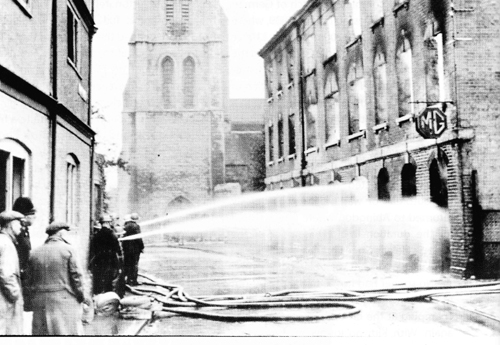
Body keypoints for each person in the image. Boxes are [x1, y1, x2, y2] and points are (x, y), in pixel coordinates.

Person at [24, 221, 90, 335]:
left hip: (39, 302)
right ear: (61, 233)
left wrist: (29, 302)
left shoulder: (34, 252)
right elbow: (76, 277)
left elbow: (28, 280)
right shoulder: (69, 250)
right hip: (63, 300)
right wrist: (83, 297)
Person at [0, 210, 25, 335]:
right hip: (5, 301)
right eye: (18, 223)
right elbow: (6, 274)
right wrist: (16, 296)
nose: (21, 226)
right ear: (10, 225)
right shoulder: (7, 244)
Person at [90, 214, 123, 295]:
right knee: (109, 278)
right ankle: (108, 295)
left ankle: (98, 295)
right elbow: (117, 248)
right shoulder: (112, 234)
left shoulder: (97, 235)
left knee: (99, 277)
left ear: (101, 223)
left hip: (99, 259)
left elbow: (93, 248)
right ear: (108, 223)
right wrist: (120, 258)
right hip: (110, 259)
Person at [12, 196, 36, 275]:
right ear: (25, 216)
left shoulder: (24, 231)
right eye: (32, 213)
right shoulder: (18, 232)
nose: (34, 217)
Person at [122, 212, 144, 286]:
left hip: (126, 248)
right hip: (135, 249)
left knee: (127, 264)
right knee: (134, 264)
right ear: (136, 219)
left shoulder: (125, 226)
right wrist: (142, 247)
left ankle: (127, 280)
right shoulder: (136, 226)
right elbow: (139, 238)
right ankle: (133, 280)